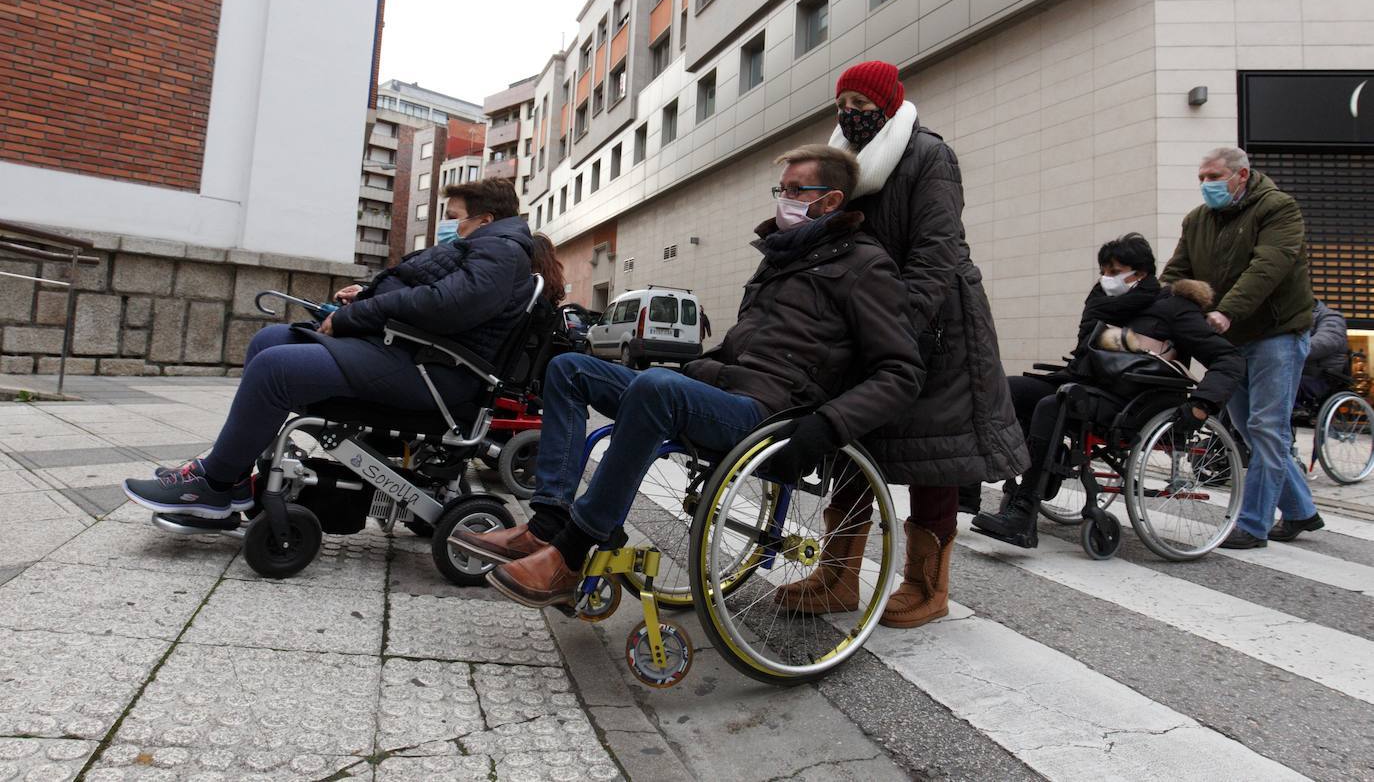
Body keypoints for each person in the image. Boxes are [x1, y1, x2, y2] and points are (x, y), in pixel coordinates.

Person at [450, 145, 921, 608]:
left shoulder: (865, 267)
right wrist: (704, 365)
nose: (784, 197)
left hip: (771, 413)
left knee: (660, 388)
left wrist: (831, 423)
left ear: (831, 201)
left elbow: (902, 371)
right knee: (569, 368)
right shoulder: (780, 260)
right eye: (782, 188)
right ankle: (548, 524)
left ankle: (572, 552)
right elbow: (746, 344)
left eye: (798, 189)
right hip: (727, 390)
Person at [123, 179, 534, 519]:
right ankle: (231, 478)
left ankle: (211, 486)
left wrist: (358, 315)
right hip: (413, 355)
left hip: (434, 372)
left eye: (454, 219)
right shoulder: (489, 247)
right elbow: (432, 293)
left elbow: (451, 305)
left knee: (276, 369)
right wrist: (368, 293)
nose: (448, 228)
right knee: (269, 340)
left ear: (486, 219)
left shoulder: (501, 249)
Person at [786, 60, 1027, 629]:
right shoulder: (841, 160)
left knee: (932, 452)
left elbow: (936, 251)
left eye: (862, 107)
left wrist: (897, 326)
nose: (850, 116)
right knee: (852, 439)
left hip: (937, 321)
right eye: (842, 105)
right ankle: (838, 574)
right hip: (868, 316)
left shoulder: (929, 156)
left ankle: (927, 585)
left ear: (889, 106)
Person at [971, 233, 1244, 547]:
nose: (1107, 279)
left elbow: (1228, 358)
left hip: (1132, 398)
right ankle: (985, 486)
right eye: (1104, 271)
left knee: (1053, 404)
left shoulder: (1173, 308)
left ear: (1140, 274)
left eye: (1115, 272)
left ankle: (1022, 514)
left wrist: (1201, 404)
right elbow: (1087, 351)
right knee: (1007, 389)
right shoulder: (1102, 302)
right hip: (1085, 381)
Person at [1161, 146, 1323, 547]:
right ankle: (1302, 512)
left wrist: (1226, 311)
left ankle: (1253, 524)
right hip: (1228, 342)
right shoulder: (1196, 220)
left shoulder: (1278, 209)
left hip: (1276, 334)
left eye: (1213, 177)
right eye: (1201, 178)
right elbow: (1178, 272)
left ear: (1242, 175)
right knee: (1252, 433)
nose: (1206, 185)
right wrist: (1165, 313)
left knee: (1267, 429)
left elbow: (1269, 265)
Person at [1299, 301, 1348, 406]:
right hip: (1296, 374)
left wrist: (1290, 350)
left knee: (1279, 383)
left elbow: (1326, 342)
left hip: (1321, 379)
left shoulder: (1332, 317)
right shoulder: (1291, 318)